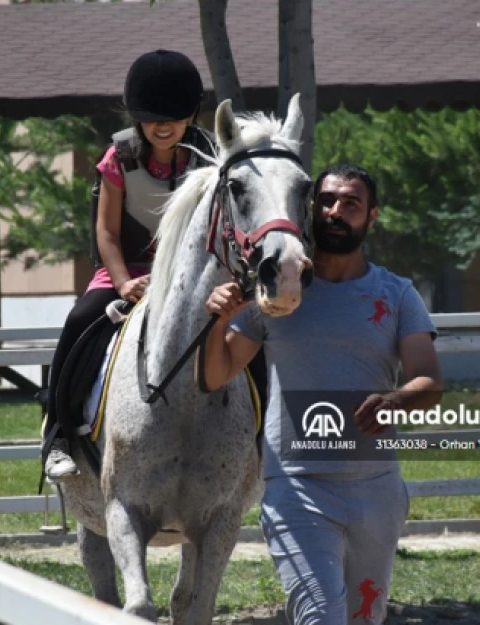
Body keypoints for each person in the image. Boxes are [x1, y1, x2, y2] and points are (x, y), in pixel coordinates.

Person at [201, 164, 444, 624]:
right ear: (310, 210)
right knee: (320, 618)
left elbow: (429, 379)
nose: (336, 211)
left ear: (372, 216)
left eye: (351, 203)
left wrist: (395, 400)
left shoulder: (396, 294)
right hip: (297, 488)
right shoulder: (274, 293)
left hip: (377, 490)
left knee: (362, 619)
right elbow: (215, 375)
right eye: (326, 201)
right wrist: (216, 322)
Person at [42, 49, 217, 480]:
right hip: (127, 271)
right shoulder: (118, 158)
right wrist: (122, 284)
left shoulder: (211, 155)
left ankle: (261, 437)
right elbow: (107, 233)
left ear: (191, 113)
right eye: (151, 116)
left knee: (249, 330)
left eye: (173, 117)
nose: (163, 125)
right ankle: (59, 435)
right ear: (136, 116)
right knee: (79, 319)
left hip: (191, 275)